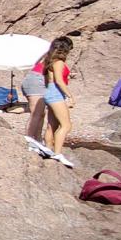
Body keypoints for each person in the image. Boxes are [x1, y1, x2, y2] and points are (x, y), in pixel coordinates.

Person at [40, 38, 75, 167]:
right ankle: (57, 153)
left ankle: (48, 150)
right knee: (66, 125)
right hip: (56, 94)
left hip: (49, 92)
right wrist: (70, 96)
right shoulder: (59, 62)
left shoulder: (49, 61)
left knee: (52, 125)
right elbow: (59, 81)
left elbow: (48, 80)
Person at [22, 38, 65, 141]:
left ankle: (37, 139)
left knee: (40, 113)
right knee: (36, 113)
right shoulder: (55, 58)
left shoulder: (47, 55)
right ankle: (28, 140)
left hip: (34, 79)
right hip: (37, 81)